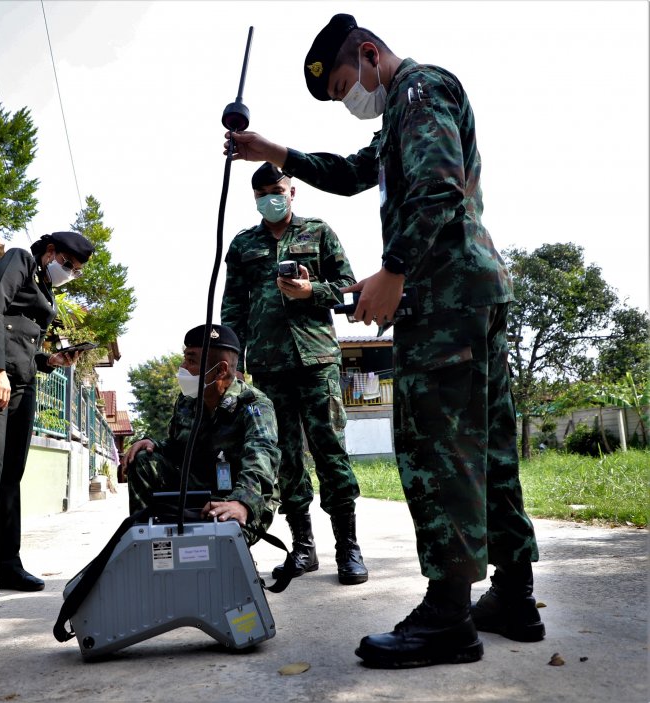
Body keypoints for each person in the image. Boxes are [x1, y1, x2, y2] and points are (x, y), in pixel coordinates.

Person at [224, 14, 543, 668]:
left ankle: (449, 612)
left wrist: (394, 270)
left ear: (370, 55)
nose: (350, 99)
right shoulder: (399, 112)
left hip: (445, 290)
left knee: (438, 443)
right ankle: (513, 593)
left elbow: (437, 185)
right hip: (473, 288)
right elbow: (349, 172)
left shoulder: (417, 91)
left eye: (347, 84)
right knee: (488, 444)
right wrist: (276, 153)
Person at [220, 163, 368, 586]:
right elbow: (234, 308)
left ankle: (348, 548)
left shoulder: (318, 232)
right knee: (284, 458)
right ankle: (303, 547)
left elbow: (348, 287)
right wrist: (233, 362)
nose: (271, 197)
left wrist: (311, 290)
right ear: (254, 198)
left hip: (317, 361)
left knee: (331, 453)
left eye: (277, 189)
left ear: (292, 191)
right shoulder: (243, 244)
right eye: (262, 192)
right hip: (267, 366)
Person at [0, 231, 94, 605]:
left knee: (11, 471)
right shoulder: (19, 260)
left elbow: (25, 344)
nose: (70, 273)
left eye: (75, 271)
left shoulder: (46, 289)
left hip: (21, 380)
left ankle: (9, 566)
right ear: (50, 251)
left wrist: (50, 361)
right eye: (69, 264)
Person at [122, 324, 280, 546]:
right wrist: (154, 445)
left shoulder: (254, 405)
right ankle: (146, 544)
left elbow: (261, 457)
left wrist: (241, 502)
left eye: (191, 361)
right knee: (144, 460)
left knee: (221, 542)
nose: (182, 367)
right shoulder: (187, 402)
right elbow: (178, 450)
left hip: (239, 495)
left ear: (220, 370)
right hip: (195, 492)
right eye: (185, 359)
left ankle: (230, 559)